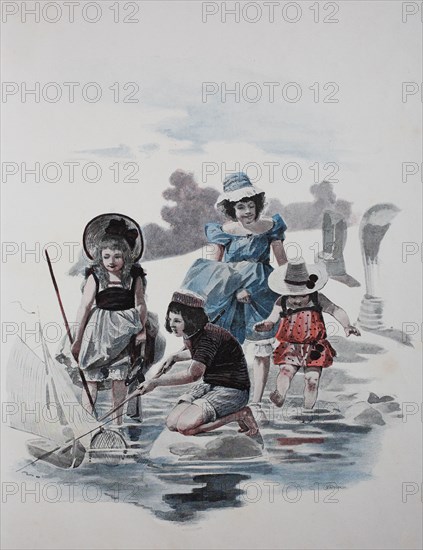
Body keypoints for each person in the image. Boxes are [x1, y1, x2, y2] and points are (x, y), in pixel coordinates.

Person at [181, 172, 288, 423]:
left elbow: (282, 262)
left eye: (251, 205)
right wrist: (231, 290)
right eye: (241, 206)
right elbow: (212, 268)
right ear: (232, 208)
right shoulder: (224, 231)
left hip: (261, 292)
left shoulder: (270, 227)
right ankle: (216, 390)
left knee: (262, 347)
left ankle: (257, 402)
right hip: (229, 293)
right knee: (222, 345)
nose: (248, 211)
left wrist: (293, 286)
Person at [137, 291, 261, 438]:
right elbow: (201, 354)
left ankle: (240, 414)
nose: (171, 325)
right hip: (211, 385)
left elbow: (193, 375)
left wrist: (155, 382)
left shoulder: (209, 337)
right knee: (172, 423)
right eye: (170, 319)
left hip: (233, 390)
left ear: (191, 320)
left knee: (185, 428)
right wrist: (175, 357)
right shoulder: (193, 334)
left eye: (177, 320)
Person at [63, 214, 148, 425]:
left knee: (118, 378)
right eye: (107, 256)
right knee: (90, 376)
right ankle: (87, 423)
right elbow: (85, 306)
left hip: (124, 328)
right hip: (98, 329)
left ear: (126, 256)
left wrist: (141, 329)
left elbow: (140, 303)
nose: (112, 261)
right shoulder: (95, 275)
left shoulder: (134, 275)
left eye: (117, 256)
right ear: (100, 256)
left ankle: (117, 423)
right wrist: (78, 338)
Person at [254, 258, 361, 413]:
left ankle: (307, 409)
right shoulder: (281, 302)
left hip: (315, 346)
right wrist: (267, 325)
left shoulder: (318, 299)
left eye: (302, 296)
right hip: (291, 346)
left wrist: (347, 325)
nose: (297, 300)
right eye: (293, 296)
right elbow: (272, 319)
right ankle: (280, 393)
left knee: (312, 380)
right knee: (286, 371)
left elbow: (335, 310)